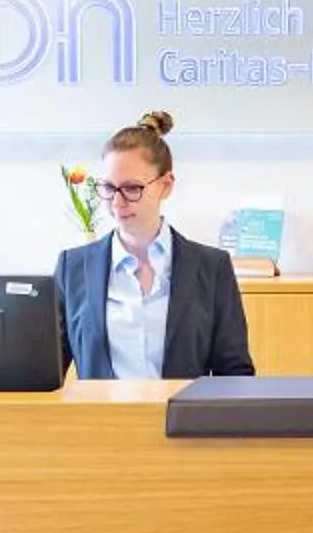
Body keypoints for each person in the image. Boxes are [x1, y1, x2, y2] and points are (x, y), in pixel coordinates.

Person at [56, 110, 256, 380]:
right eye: (108, 188)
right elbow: (47, 370)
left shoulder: (211, 267)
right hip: (100, 420)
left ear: (165, 185)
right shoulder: (73, 267)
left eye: (132, 188)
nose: (117, 202)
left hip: (182, 420)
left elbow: (234, 372)